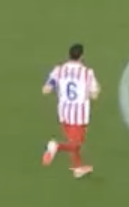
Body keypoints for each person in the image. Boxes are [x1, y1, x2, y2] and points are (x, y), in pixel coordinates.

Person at [42, 42, 100, 178]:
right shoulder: (87, 73)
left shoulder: (59, 70)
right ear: (82, 56)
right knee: (76, 144)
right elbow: (94, 94)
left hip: (64, 112)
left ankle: (78, 167)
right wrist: (93, 92)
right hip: (79, 115)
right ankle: (56, 146)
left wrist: (53, 87)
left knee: (72, 141)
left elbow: (46, 89)